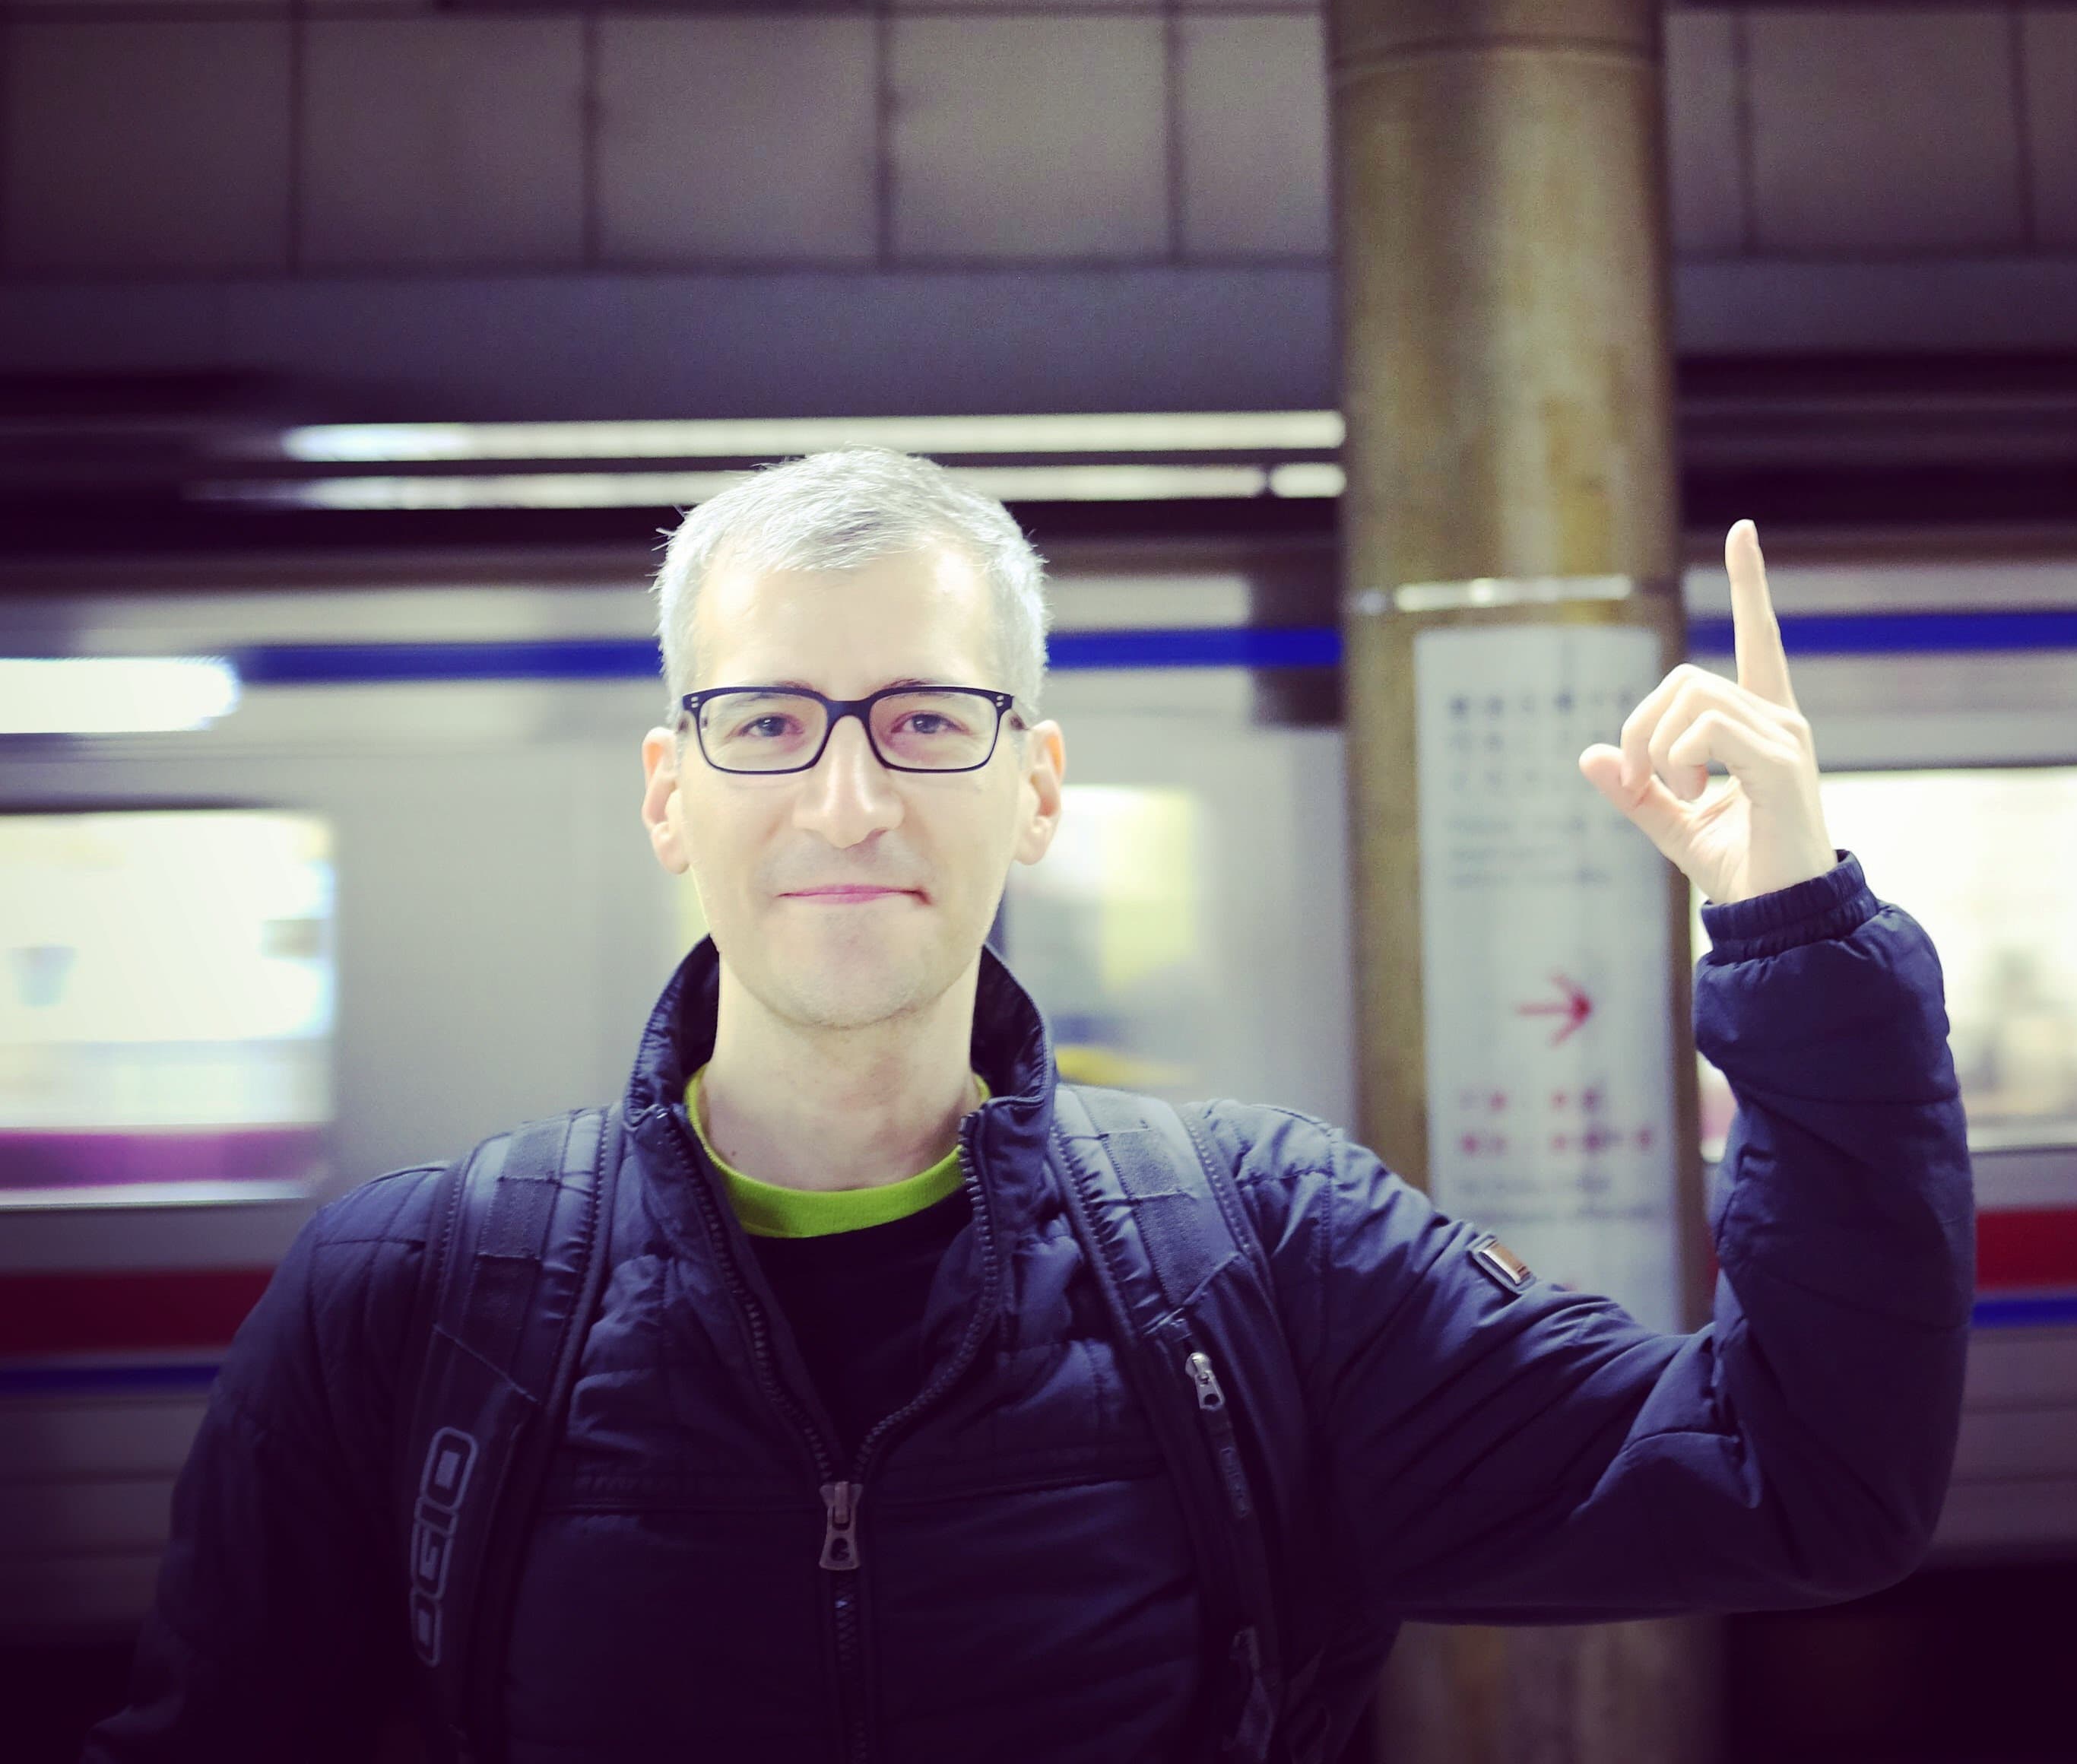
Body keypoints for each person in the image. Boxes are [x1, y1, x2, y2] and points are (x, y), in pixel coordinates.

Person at [90, 450, 1972, 1762]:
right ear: (671, 791)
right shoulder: (412, 1301)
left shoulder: (1270, 1263)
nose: (846, 801)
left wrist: (1799, 941)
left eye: (926, 721)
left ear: (1038, 786)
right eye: (768, 724)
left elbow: (1803, 1483)